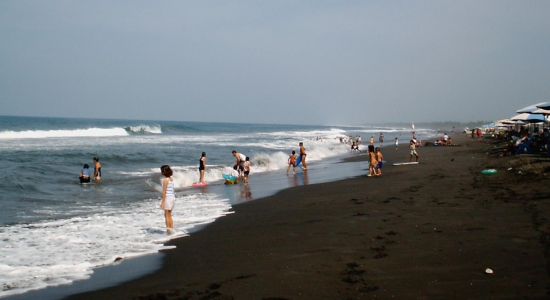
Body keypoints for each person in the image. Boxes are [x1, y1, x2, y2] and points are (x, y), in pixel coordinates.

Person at [160, 165, 175, 233]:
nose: (161, 172)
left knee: (166, 215)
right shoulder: (170, 179)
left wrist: (162, 202)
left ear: (164, 172)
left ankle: (168, 230)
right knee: (169, 214)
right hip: (172, 198)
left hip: (168, 198)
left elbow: (164, 192)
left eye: (162, 171)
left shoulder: (165, 180)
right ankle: (171, 229)